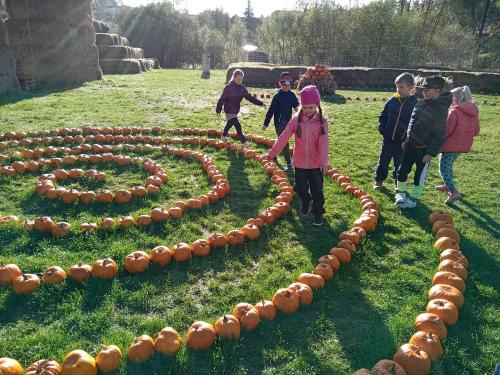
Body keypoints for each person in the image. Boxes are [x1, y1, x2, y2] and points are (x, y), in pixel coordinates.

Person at [266, 85, 329, 226]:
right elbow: (284, 137)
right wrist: (272, 152)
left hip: (315, 163)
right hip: (300, 161)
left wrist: (324, 162)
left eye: (311, 108)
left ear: (317, 105)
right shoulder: (296, 120)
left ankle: (318, 213)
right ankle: (306, 201)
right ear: (301, 105)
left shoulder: (322, 122)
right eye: (305, 107)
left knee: (317, 190)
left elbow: (324, 143)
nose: (308, 111)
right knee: (300, 187)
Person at [395, 75, 452, 209]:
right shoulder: (419, 103)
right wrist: (405, 139)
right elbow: (411, 123)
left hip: (424, 150)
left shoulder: (441, 109)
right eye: (423, 89)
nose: (424, 92)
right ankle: (401, 192)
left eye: (428, 90)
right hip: (410, 145)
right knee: (402, 170)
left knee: (419, 175)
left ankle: (414, 198)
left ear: (438, 90)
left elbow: (439, 134)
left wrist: (431, 153)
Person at [436, 85, 480, 204]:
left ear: (456, 98)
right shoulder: (474, 112)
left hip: (450, 146)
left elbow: (447, 131)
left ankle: (453, 191)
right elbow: (476, 131)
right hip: (463, 146)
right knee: (448, 166)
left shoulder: (454, 112)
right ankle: (446, 185)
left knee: (444, 168)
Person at [374, 72, 418, 190]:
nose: (398, 89)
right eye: (397, 86)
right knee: (383, 161)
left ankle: (397, 182)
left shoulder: (415, 104)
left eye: (401, 87)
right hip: (388, 139)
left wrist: (408, 138)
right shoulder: (392, 101)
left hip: (402, 142)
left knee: (399, 164)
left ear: (411, 87)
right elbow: (383, 115)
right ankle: (379, 180)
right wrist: (382, 128)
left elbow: (415, 123)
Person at [215, 69, 264, 147]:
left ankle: (223, 136)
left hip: (235, 110)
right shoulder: (228, 87)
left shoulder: (242, 88)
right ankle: (245, 143)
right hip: (228, 110)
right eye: (238, 79)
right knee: (238, 125)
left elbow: (250, 97)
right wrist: (218, 109)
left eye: (241, 80)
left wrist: (260, 103)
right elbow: (222, 99)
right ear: (234, 78)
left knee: (230, 124)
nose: (240, 81)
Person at [262, 71, 300, 170]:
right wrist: (266, 123)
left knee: (281, 140)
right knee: (284, 142)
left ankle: (273, 154)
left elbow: (297, 106)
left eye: (289, 83)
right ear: (280, 83)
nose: (287, 85)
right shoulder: (277, 96)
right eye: (284, 83)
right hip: (279, 122)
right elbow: (271, 111)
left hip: (289, 122)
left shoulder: (292, 95)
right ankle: (288, 163)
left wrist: (301, 113)